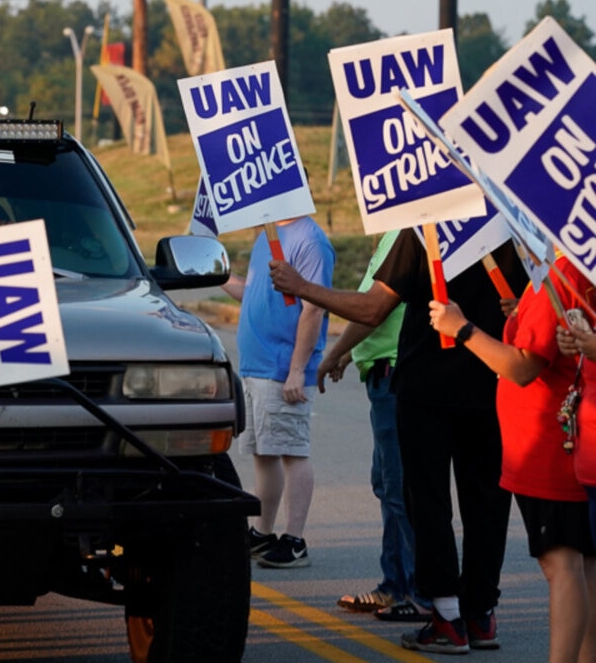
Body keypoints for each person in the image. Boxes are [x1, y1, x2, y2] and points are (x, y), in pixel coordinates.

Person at [270, 231, 526, 654]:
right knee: (486, 502)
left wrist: (302, 287)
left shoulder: (424, 226)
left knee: (427, 502)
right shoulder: (503, 221)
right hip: (491, 380)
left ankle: (447, 618)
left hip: (427, 386)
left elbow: (374, 308)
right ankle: (481, 617)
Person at [431, 254, 596, 662]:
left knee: (562, 565)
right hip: (554, 435)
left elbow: (522, 367)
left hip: (548, 441)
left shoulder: (563, 271)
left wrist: (462, 329)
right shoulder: (564, 267)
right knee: (581, 566)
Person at [320, 231, 428, 622]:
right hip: (381, 375)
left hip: (396, 375)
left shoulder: (404, 233)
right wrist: (350, 353)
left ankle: (420, 595)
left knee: (401, 490)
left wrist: (333, 351)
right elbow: (379, 315)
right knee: (387, 485)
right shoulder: (389, 237)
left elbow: (372, 309)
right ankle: (394, 585)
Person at [221, 215, 334, 569]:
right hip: (255, 365)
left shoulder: (311, 240)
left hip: (282, 366)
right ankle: (263, 532)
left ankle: (295, 540)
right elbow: (254, 291)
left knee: (292, 450)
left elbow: (314, 307)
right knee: (264, 452)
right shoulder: (266, 235)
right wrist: (218, 275)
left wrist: (297, 369)